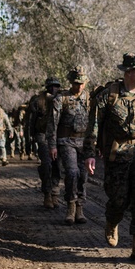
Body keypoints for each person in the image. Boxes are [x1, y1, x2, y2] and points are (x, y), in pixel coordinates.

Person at [86, 53, 135, 262]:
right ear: (128, 72)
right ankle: (112, 221)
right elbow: (94, 126)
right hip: (117, 156)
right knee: (118, 200)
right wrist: (90, 154)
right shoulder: (108, 95)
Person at [48, 67, 91, 225]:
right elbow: (52, 124)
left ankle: (80, 207)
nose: (78, 86)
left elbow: (95, 123)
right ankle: (71, 206)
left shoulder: (89, 98)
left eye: (81, 83)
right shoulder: (61, 99)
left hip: (84, 143)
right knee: (72, 172)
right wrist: (52, 145)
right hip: (66, 142)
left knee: (83, 175)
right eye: (75, 83)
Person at [27, 78, 62, 208]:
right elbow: (32, 120)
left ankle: (55, 194)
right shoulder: (38, 101)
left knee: (57, 165)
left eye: (56, 86)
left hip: (58, 136)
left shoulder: (62, 99)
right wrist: (31, 136)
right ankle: (47, 193)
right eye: (51, 86)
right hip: (42, 135)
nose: (54, 89)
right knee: (46, 164)